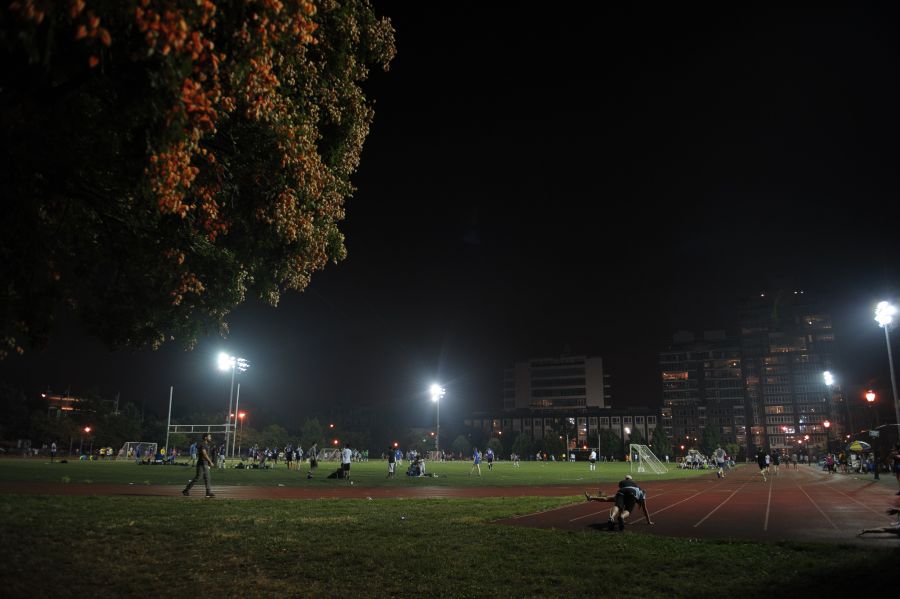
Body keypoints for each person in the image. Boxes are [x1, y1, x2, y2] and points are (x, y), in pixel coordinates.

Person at [589, 474, 654, 531]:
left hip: (621, 492)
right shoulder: (639, 490)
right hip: (632, 493)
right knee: (628, 510)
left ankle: (611, 517)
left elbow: (619, 503)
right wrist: (649, 521)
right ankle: (622, 517)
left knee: (617, 505)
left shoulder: (622, 483)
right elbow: (644, 509)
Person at [183, 433, 215, 497]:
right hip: (202, 463)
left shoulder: (206, 444)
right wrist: (210, 462)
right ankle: (207, 492)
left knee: (204, 477)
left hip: (203, 463)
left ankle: (186, 490)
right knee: (203, 478)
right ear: (205, 438)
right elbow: (204, 454)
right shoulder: (203, 444)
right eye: (209, 437)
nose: (210, 438)